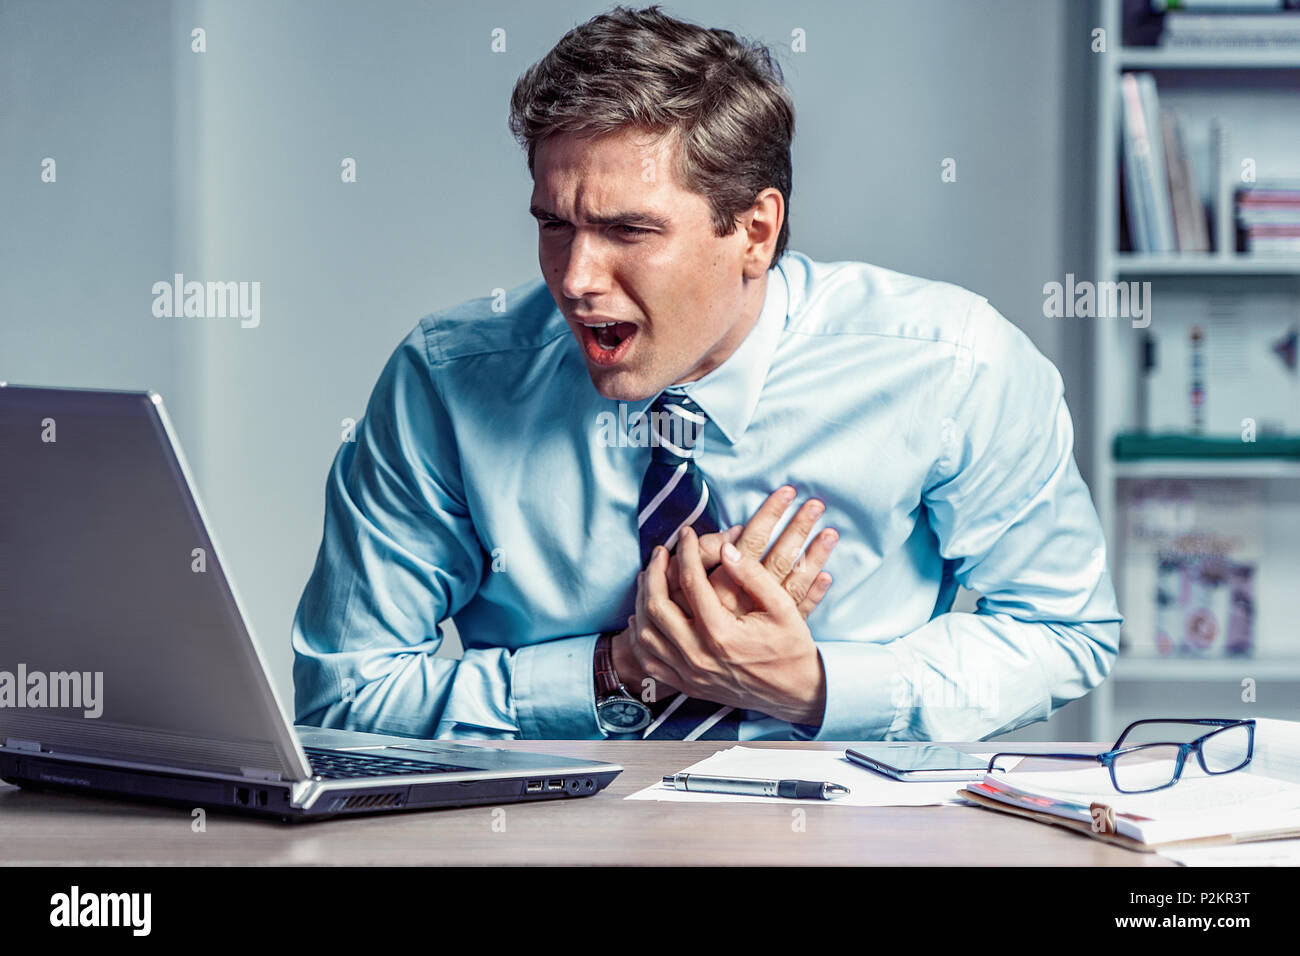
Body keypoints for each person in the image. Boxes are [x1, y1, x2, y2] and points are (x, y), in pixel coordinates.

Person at [291, 5, 1121, 742]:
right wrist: (615, 670)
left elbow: (1064, 630)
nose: (576, 278)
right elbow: (343, 696)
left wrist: (817, 687)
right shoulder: (447, 383)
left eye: (627, 231)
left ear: (754, 232)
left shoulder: (952, 368)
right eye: (554, 223)